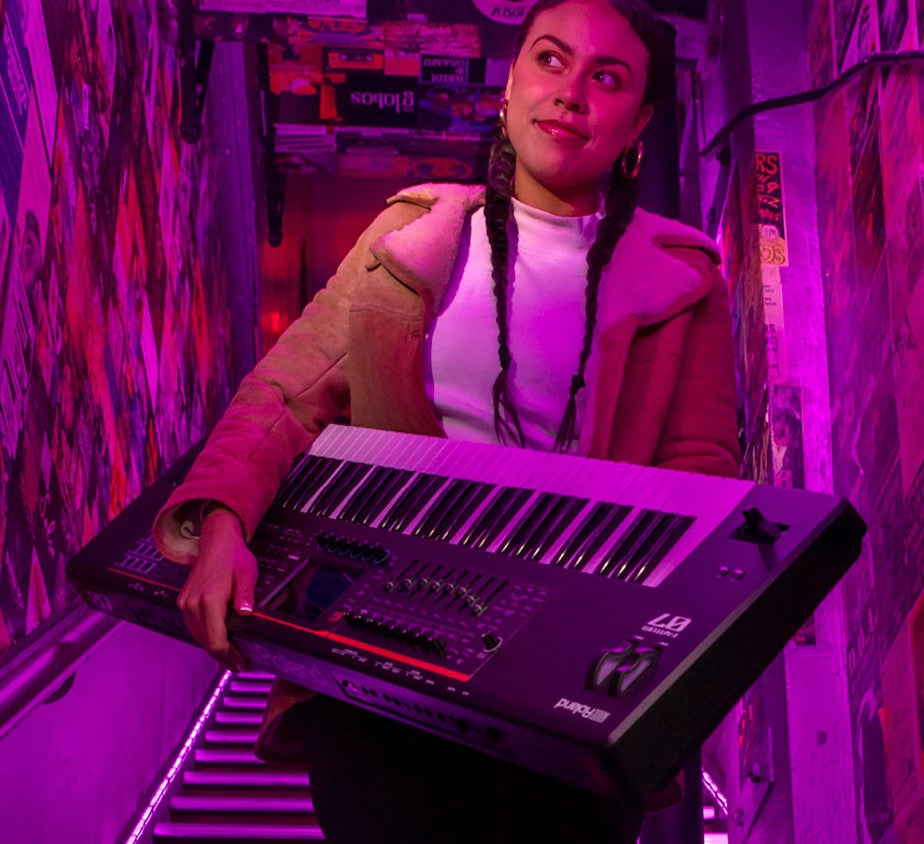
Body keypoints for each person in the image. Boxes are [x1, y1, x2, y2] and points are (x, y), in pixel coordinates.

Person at [151, 1, 740, 841]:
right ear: (509, 84)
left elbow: (699, 482)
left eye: (607, 78)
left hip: (568, 685)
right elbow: (284, 392)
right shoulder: (412, 232)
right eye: (550, 60)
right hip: (380, 655)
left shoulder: (683, 279)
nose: (570, 92)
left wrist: (655, 674)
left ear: (639, 121)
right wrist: (222, 523)